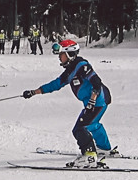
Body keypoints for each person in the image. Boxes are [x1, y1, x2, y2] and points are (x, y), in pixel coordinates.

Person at [21, 40, 116, 168]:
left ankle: (89, 156)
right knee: (92, 124)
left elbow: (97, 83)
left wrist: (92, 101)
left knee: (80, 128)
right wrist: (34, 92)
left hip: (98, 101)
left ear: (70, 54)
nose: (59, 57)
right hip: (96, 102)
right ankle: (104, 148)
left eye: (61, 54)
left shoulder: (82, 66)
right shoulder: (70, 71)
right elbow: (55, 85)